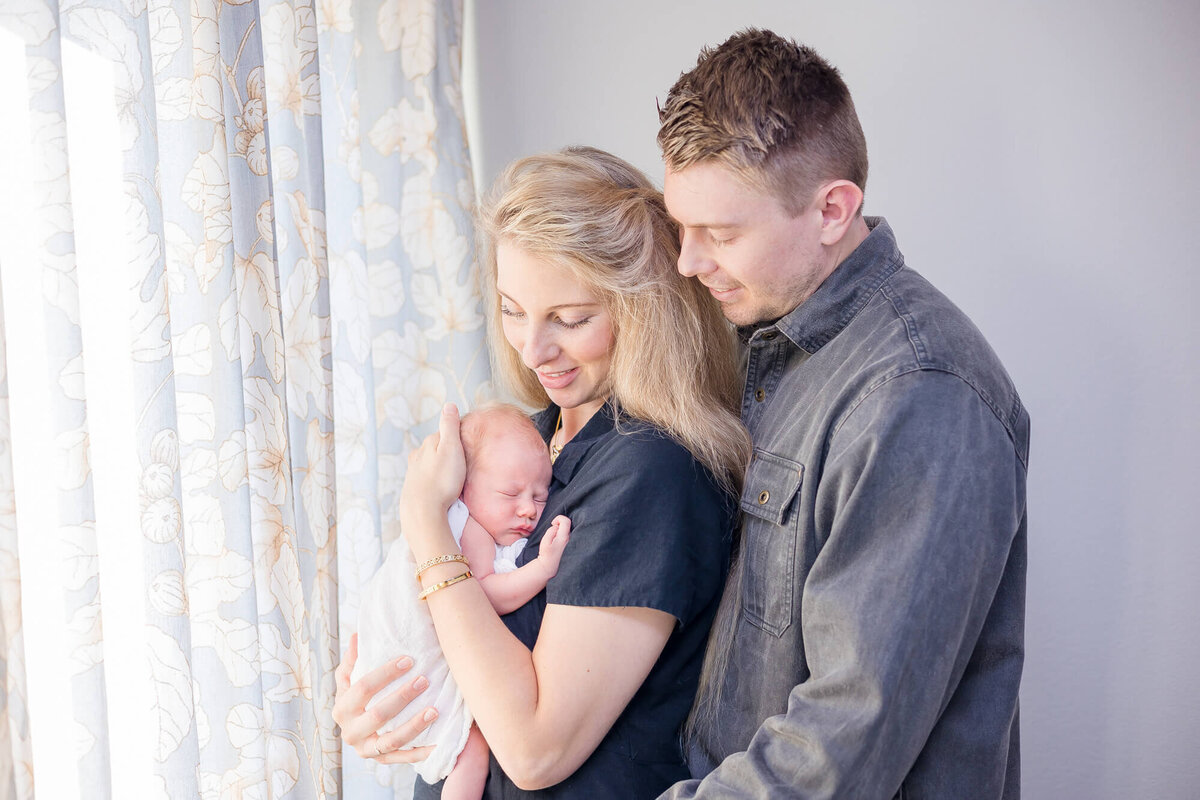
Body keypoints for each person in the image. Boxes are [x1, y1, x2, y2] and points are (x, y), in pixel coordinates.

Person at [655, 29, 1030, 799]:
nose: (689, 263)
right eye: (680, 229)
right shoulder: (757, 339)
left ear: (832, 209)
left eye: (719, 234)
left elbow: (843, 745)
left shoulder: (921, 394)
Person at [332, 146, 754, 798]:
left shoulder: (653, 473)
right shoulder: (526, 442)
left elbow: (533, 750)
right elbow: (461, 649)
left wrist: (425, 521)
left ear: (641, 310)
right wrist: (385, 707)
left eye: (570, 318)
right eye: (512, 308)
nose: (533, 350)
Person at [351, 403, 571, 799]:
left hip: (381, 681)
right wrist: (542, 568)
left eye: (541, 496)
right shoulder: (466, 527)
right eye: (510, 493)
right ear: (463, 486)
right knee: (474, 745)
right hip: (405, 658)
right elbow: (479, 595)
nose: (528, 509)